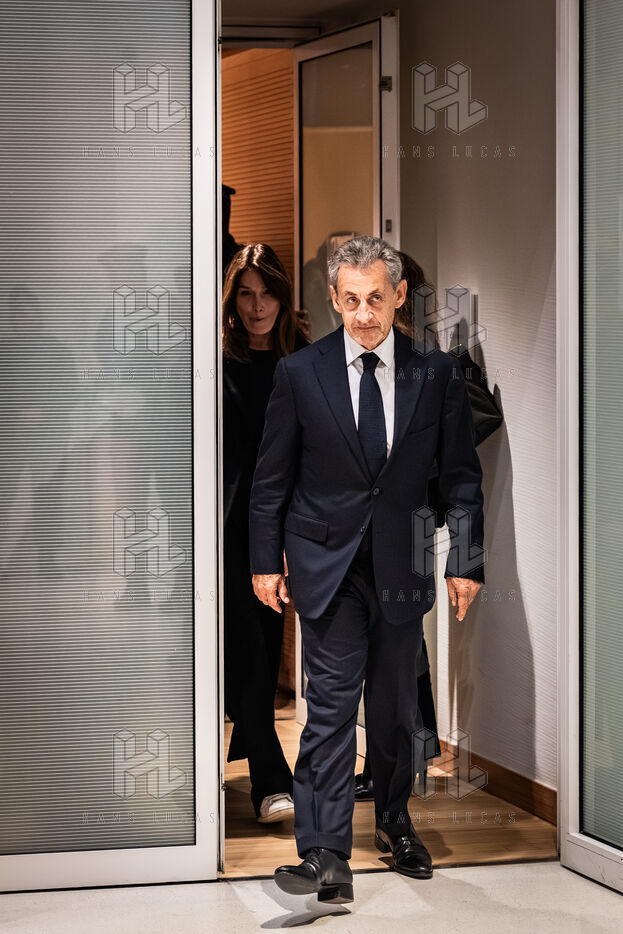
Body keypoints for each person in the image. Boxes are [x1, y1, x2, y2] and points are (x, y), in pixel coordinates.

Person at [249, 235, 485, 903]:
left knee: (392, 708)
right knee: (327, 709)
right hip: (327, 566)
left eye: (375, 299)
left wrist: (465, 561)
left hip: (402, 563)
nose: (363, 314)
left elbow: (461, 478)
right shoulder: (301, 373)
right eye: (350, 300)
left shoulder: (434, 374)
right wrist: (265, 562)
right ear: (333, 298)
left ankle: (393, 821)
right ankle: (325, 854)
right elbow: (271, 481)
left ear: (399, 295)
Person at [222, 242, 308, 824]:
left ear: (282, 296)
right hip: (224, 525)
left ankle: (259, 760)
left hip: (280, 525)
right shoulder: (216, 361)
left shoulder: (302, 361)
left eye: (267, 294)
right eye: (246, 295)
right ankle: (270, 779)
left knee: (262, 646)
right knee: (244, 650)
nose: (257, 307)